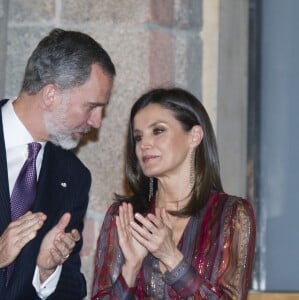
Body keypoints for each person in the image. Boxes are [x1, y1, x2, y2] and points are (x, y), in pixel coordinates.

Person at [92, 87, 256, 300]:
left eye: (158, 131)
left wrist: (171, 258)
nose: (145, 144)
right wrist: (130, 269)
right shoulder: (124, 216)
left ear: (194, 136)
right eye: (138, 137)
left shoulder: (232, 214)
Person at [0, 28, 115, 299]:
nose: (97, 122)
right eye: (91, 107)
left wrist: (46, 272)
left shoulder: (74, 176)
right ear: (51, 95)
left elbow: (72, 289)